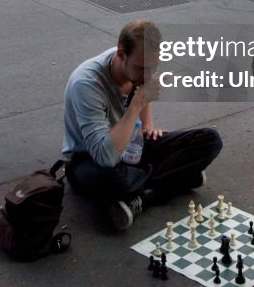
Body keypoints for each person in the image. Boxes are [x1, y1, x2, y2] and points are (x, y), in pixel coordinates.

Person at [63, 19, 223, 230]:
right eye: (142, 69)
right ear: (121, 55)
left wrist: (148, 125)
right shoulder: (86, 84)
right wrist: (138, 101)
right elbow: (106, 156)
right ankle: (177, 177)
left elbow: (143, 87)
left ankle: (144, 196)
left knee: (210, 140)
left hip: (131, 146)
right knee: (115, 180)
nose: (148, 75)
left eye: (153, 67)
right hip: (91, 158)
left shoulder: (141, 62)